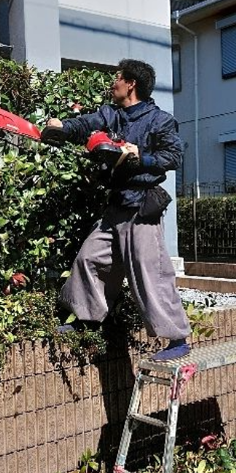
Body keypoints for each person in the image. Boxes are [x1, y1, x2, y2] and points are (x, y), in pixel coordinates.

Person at [44, 59, 192, 362]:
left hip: (141, 207)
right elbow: (83, 125)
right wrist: (61, 127)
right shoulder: (110, 114)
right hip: (115, 207)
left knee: (150, 273)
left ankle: (177, 339)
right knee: (90, 259)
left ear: (131, 84)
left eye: (117, 78)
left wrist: (141, 158)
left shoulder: (159, 120)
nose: (113, 83)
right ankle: (87, 320)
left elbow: (173, 156)